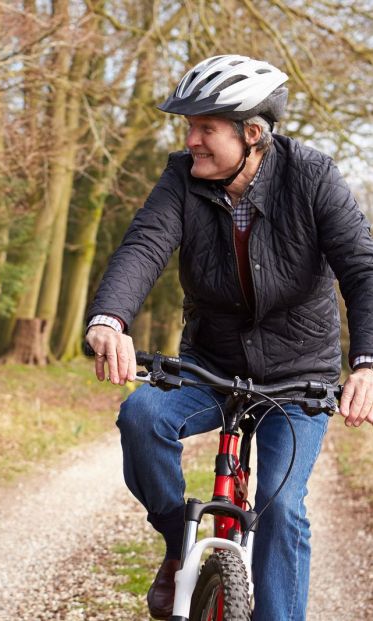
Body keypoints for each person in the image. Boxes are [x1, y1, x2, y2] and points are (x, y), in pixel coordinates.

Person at [85, 54, 373, 621]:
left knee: (281, 506)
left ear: (253, 134)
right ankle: (178, 544)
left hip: (299, 380)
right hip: (209, 367)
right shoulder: (180, 179)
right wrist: (109, 319)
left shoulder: (312, 176)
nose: (190, 139)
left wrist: (365, 362)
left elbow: (362, 269)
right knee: (143, 417)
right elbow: (144, 246)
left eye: (204, 128)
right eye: (187, 126)